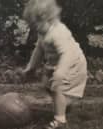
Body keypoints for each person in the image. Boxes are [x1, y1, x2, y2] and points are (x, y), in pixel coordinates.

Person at [22, 0, 88, 129]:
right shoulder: (43, 32)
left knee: (57, 88)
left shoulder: (59, 33)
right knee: (47, 84)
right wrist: (31, 66)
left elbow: (67, 53)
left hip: (72, 65)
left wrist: (61, 71)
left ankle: (60, 121)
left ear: (48, 19)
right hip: (57, 64)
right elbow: (39, 50)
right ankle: (64, 105)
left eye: (35, 25)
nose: (34, 29)